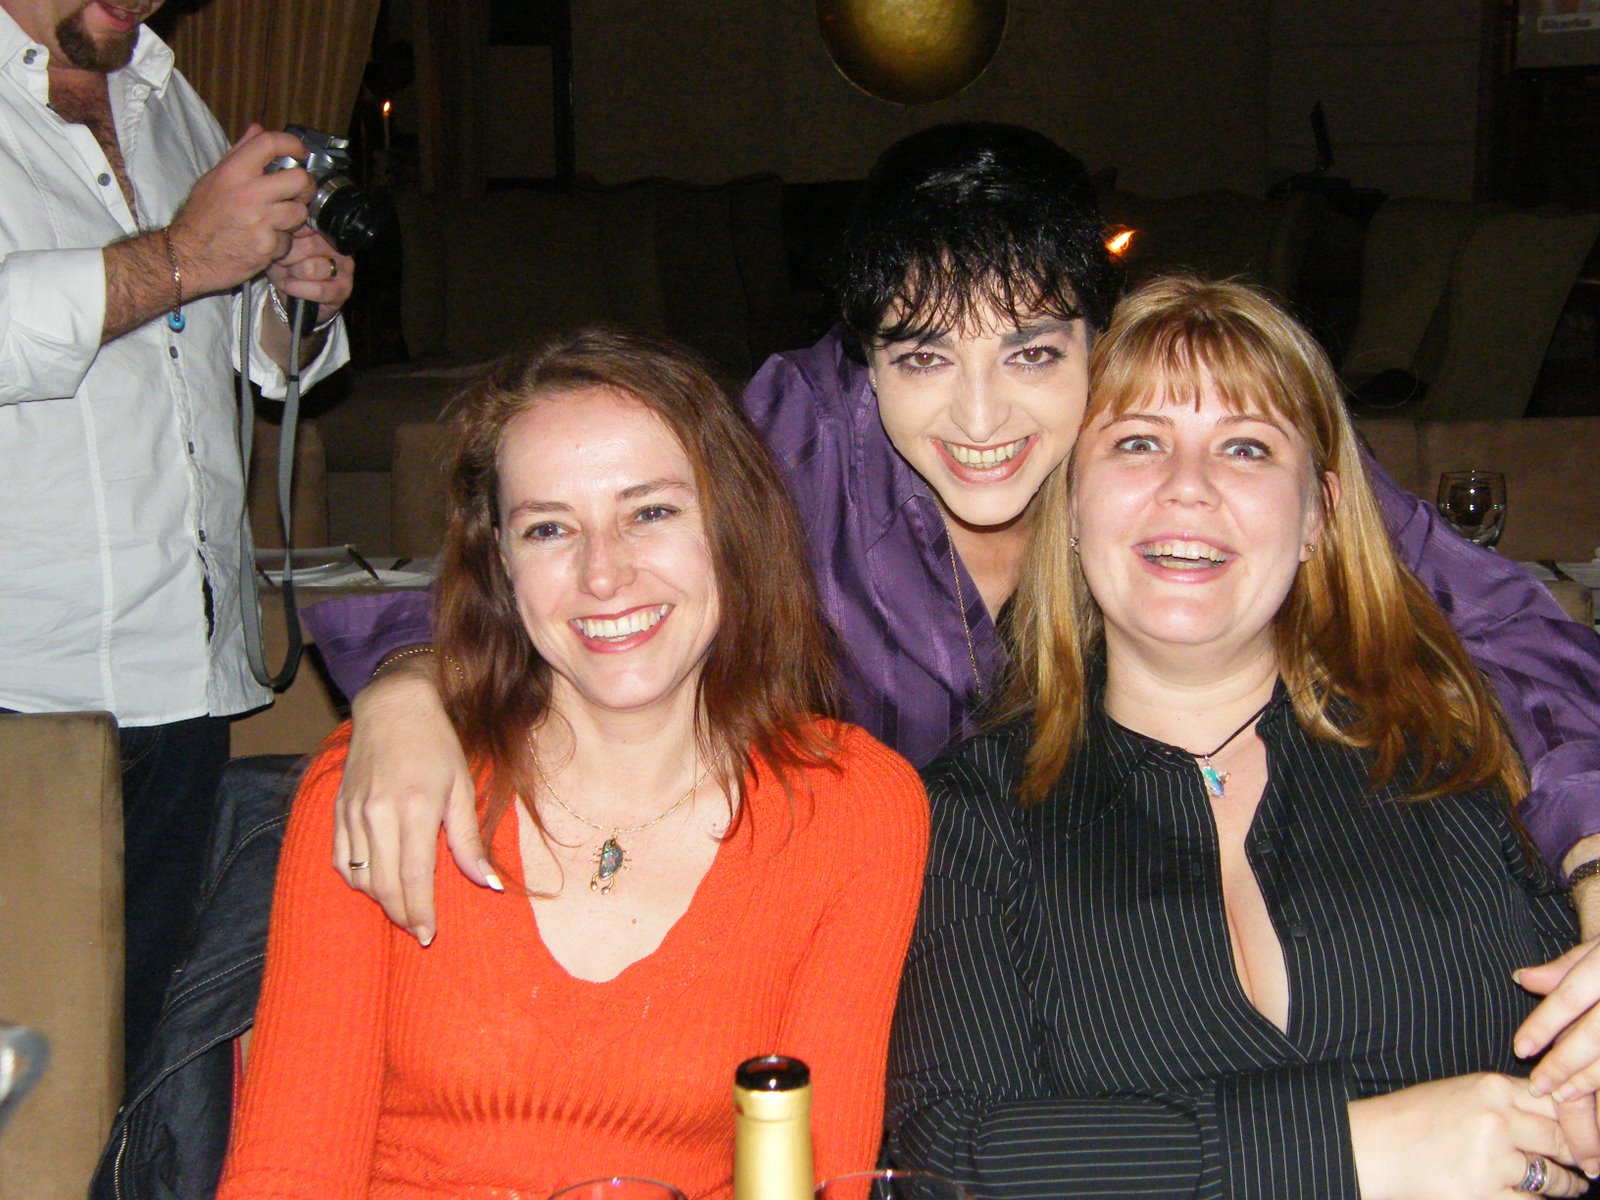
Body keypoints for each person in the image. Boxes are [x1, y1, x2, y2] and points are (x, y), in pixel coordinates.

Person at [304, 123, 1600, 1120]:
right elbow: (573, 561)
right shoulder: (801, 438)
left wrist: (1594, 866)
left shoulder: (1168, 440)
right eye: (923, 357)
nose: (980, 421)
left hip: (1122, 958)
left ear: (1097, 341)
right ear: (862, 358)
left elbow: (1497, 617)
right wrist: (415, 690)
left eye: (1032, 353)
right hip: (837, 967)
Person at [886, 275, 1587, 1199]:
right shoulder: (970, 814)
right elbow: (945, 1156)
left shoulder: (1464, 753)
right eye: (1139, 442)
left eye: (1246, 448)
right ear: (1072, 504)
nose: (1189, 487)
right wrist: (1350, 1150)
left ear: (1317, 516)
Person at [216, 330, 928, 1199]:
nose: (603, 574)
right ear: (501, 564)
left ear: (735, 526)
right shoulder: (385, 786)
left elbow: (820, 1176)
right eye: (549, 528)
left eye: (651, 512)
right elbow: (286, 1173)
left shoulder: (852, 809)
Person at [0, 0, 353, 1068]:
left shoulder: (163, 94)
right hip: (22, 685)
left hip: (177, 674)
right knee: (25, 1058)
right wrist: (186, 255)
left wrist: (291, 299)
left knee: (137, 1041)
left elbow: (217, 340)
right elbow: (173, 270)